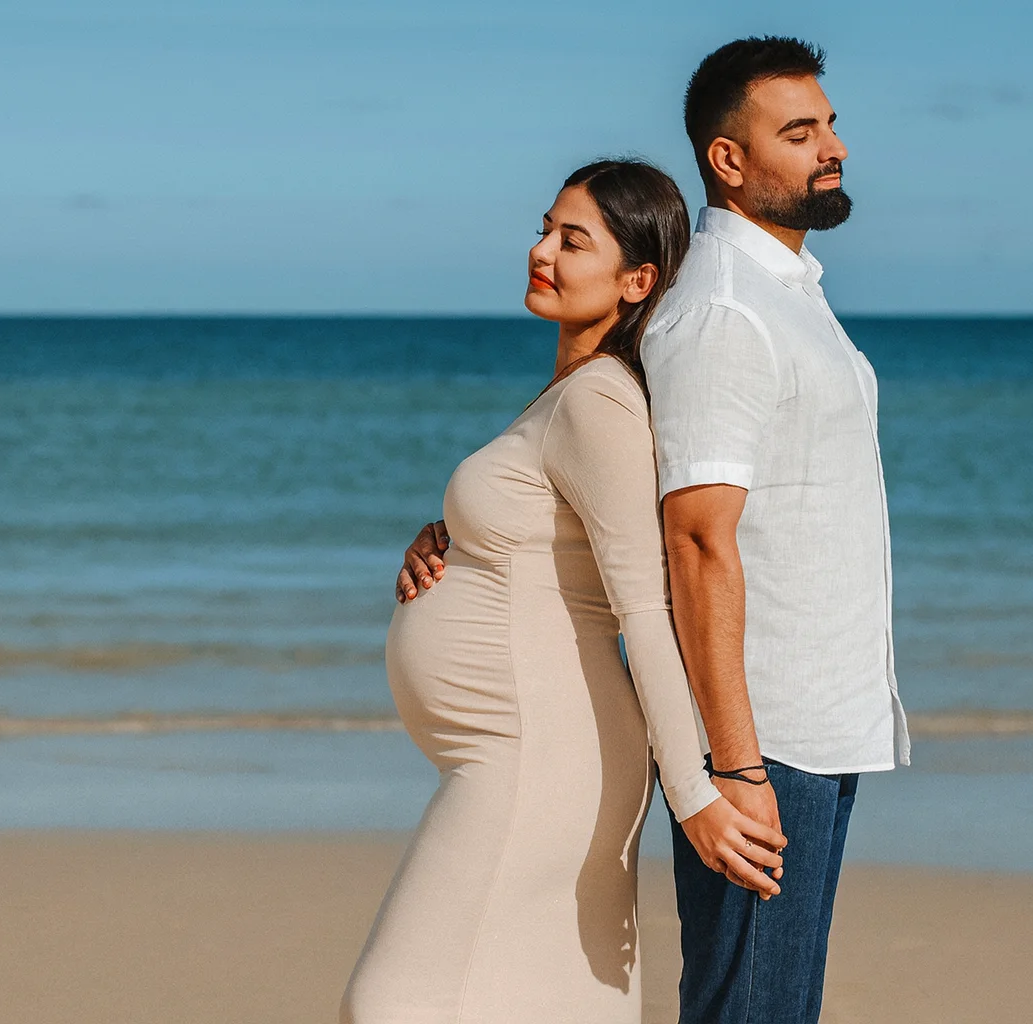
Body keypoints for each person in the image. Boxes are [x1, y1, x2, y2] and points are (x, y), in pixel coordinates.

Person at [341, 159, 788, 1024]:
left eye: (572, 241)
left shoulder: (600, 402)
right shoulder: (569, 396)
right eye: (544, 229)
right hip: (527, 752)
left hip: (540, 759)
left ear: (637, 281)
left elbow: (643, 609)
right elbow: (546, 543)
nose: (541, 251)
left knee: (390, 1004)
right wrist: (453, 539)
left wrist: (694, 793)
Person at [644, 37, 911, 1024]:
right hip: (767, 736)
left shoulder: (787, 291)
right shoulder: (723, 309)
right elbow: (695, 540)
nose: (831, 148)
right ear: (729, 159)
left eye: (830, 125)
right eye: (799, 133)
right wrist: (735, 762)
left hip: (814, 723)